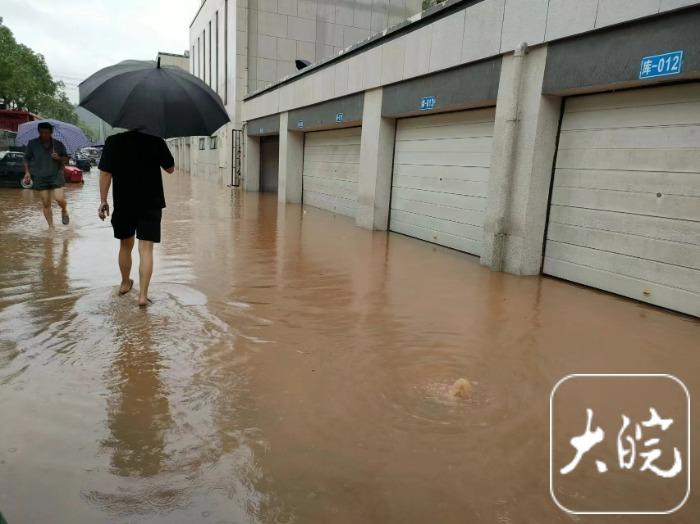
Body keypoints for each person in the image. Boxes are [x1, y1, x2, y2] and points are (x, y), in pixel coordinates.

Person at [97, 130, 174, 307]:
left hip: (124, 203)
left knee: (125, 245)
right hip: (151, 203)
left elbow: (105, 173)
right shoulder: (156, 139)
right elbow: (170, 169)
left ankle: (125, 284)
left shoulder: (113, 141)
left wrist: (103, 201)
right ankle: (143, 297)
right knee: (146, 250)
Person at [23, 122, 70, 228]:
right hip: (40, 176)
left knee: (59, 198)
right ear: (38, 132)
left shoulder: (58, 144)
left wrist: (58, 158)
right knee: (45, 202)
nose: (44, 135)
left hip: (56, 175)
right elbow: (26, 159)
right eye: (42, 132)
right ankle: (51, 227)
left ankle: (64, 210)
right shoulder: (32, 143)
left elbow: (66, 160)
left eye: (47, 133)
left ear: (51, 133)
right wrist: (27, 172)